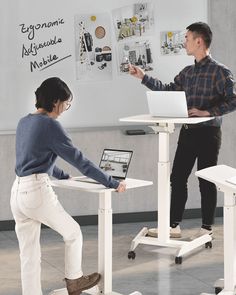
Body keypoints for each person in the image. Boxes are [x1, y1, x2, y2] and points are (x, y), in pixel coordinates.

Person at [10, 77, 126, 295]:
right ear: (55, 102)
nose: (65, 109)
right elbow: (80, 161)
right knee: (73, 232)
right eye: (65, 103)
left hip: (17, 193)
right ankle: (74, 281)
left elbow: (33, 157)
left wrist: (62, 175)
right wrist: (112, 182)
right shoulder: (51, 125)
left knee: (29, 255)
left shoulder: (24, 122)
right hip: (36, 192)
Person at [129, 22, 236, 238]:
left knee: (206, 180)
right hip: (188, 131)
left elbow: (233, 100)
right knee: (177, 178)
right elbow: (168, 90)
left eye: (186, 38)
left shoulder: (220, 72)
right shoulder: (187, 72)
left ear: (199, 41)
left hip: (208, 134)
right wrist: (143, 77)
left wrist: (208, 112)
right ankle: (173, 226)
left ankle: (206, 229)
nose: (184, 42)